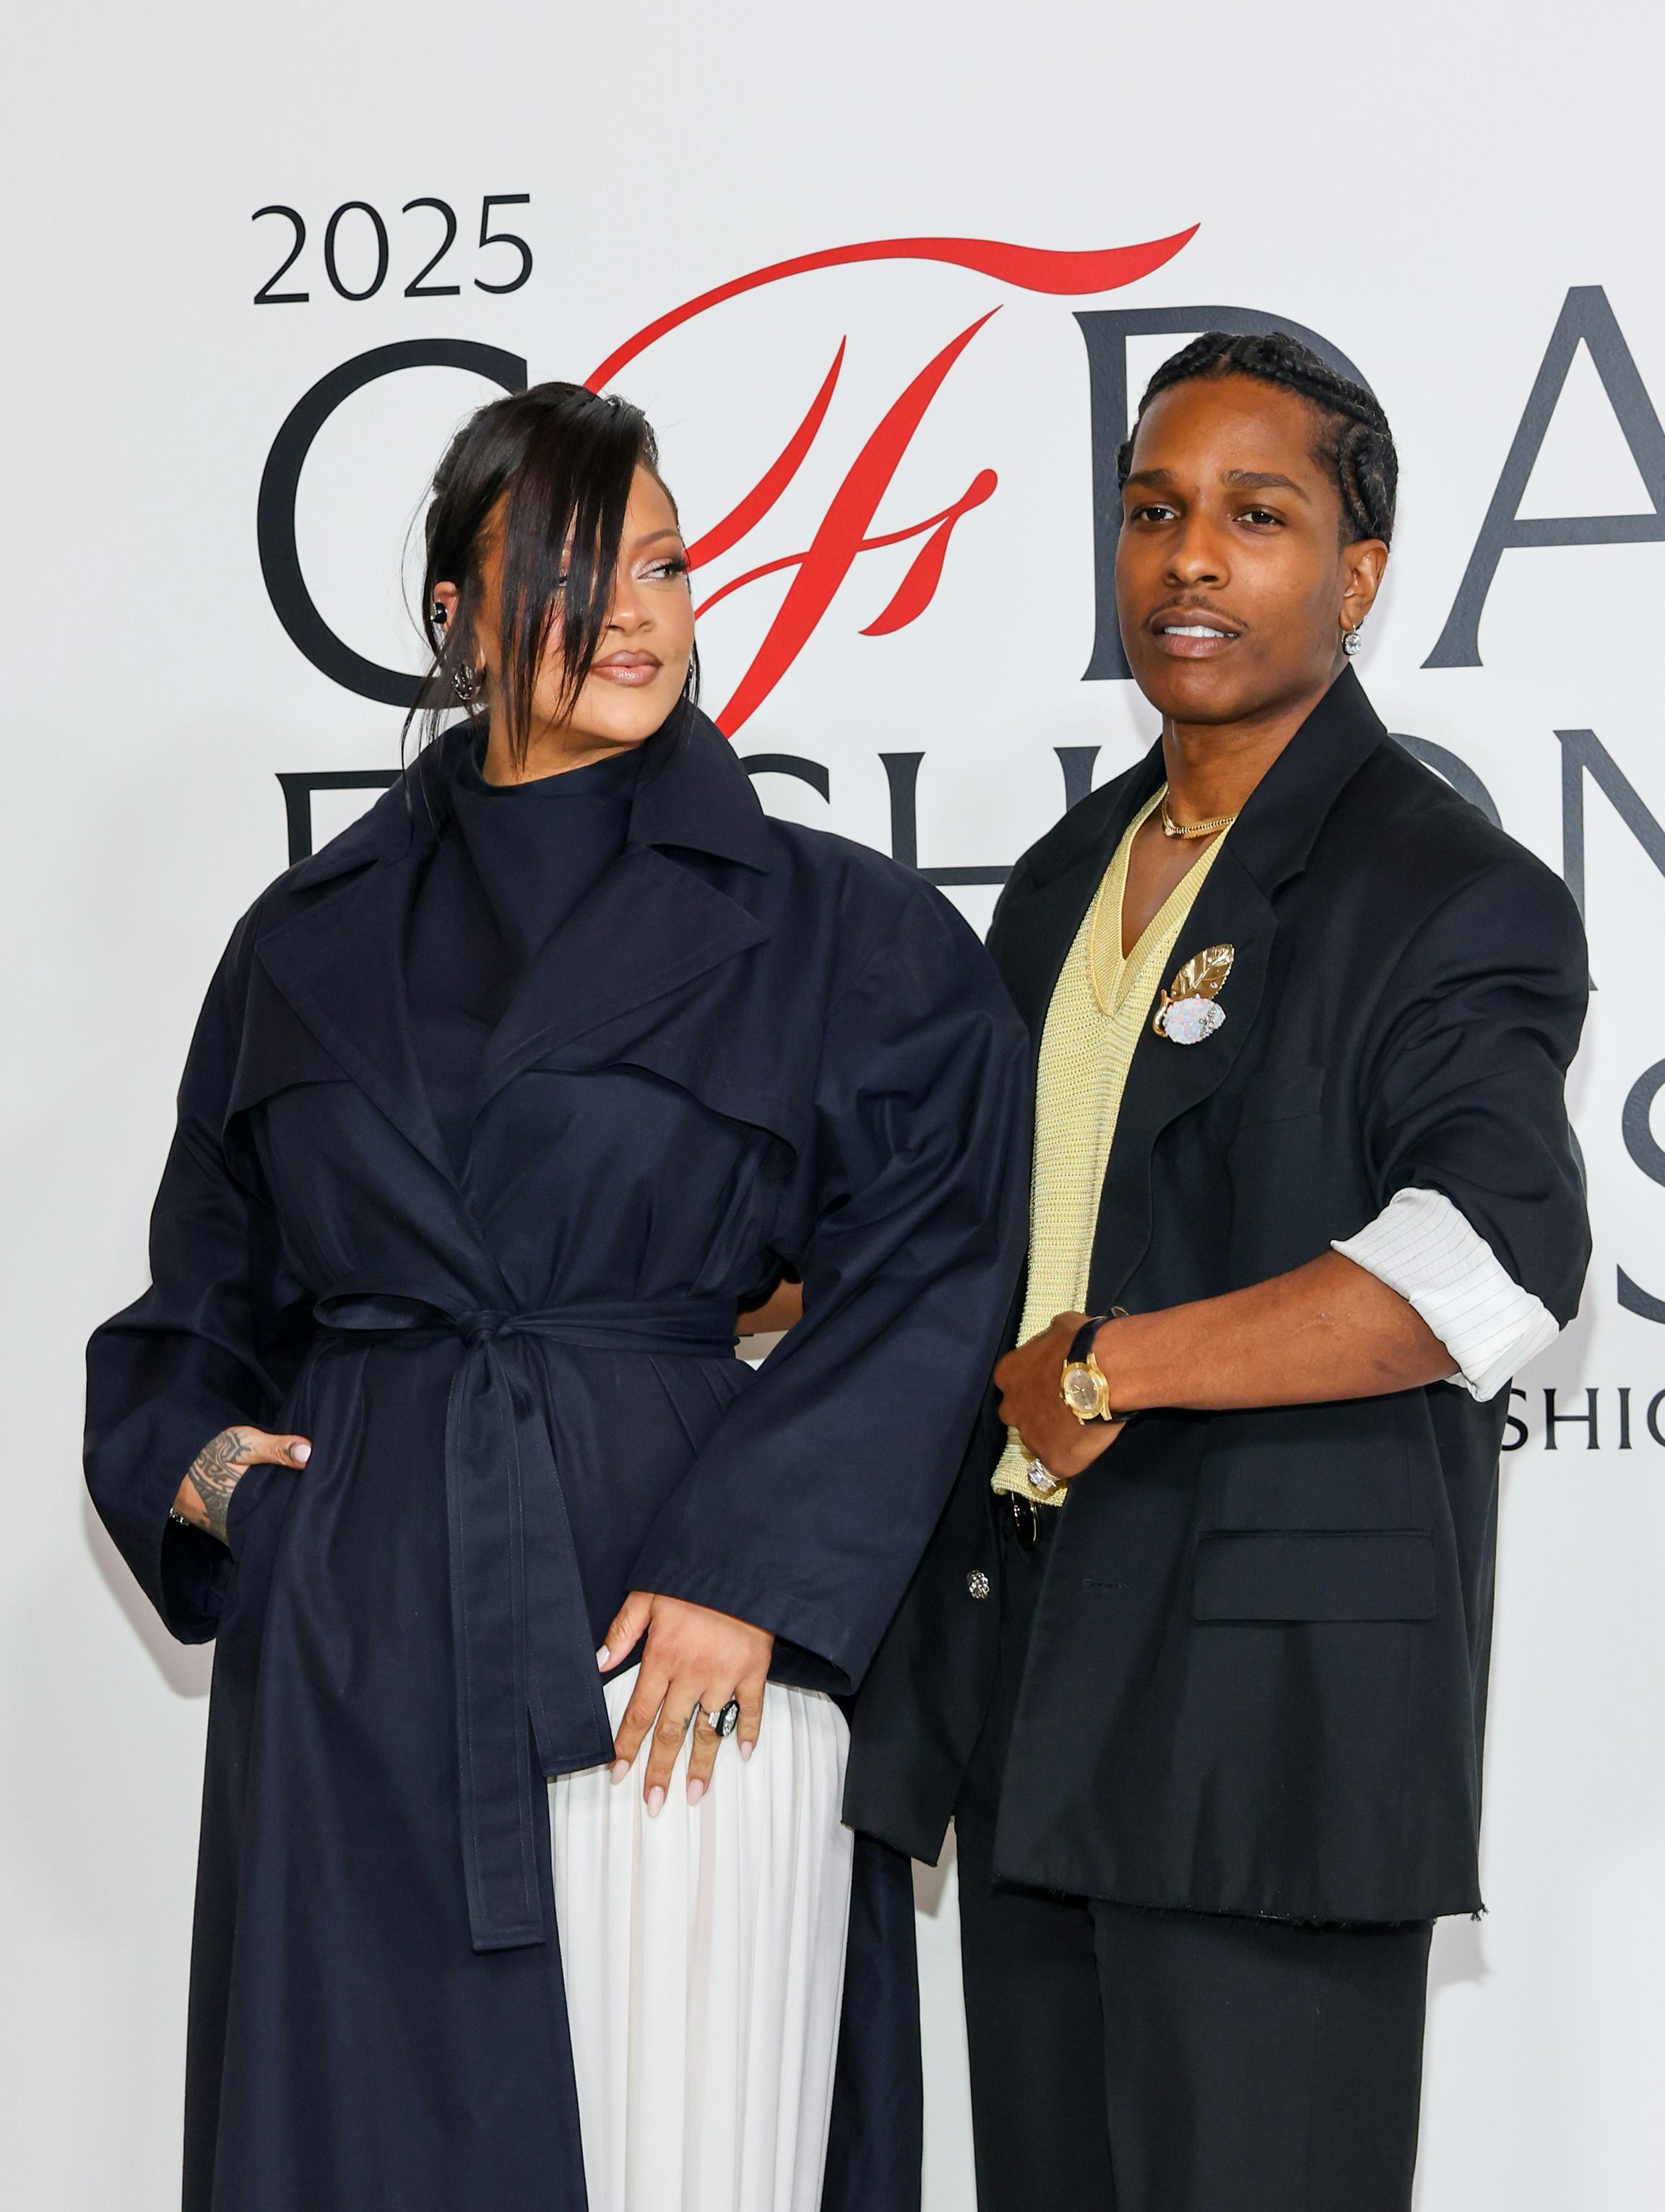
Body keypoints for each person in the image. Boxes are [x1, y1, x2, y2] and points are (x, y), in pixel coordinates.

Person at [85, 381, 1029, 2212]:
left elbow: (937, 1249)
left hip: (658, 1600)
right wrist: (200, 1468)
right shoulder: (305, 933)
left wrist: (756, 1569)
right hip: (358, 1621)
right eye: (577, 571)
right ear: (453, 615)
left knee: (674, 2133)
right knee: (356, 2128)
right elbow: (207, 1264)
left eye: (666, 562)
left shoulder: (835, 923)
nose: (639, 613)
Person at [845, 333, 1591, 2212]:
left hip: (1266, 1742)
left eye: (1257, 516)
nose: (1189, 558)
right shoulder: (1059, 880)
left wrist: (1113, 1369)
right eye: (1153, 510)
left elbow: (1493, 1260)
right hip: (1032, 1713)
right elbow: (969, 1236)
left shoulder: (1446, 889)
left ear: (1355, 574)